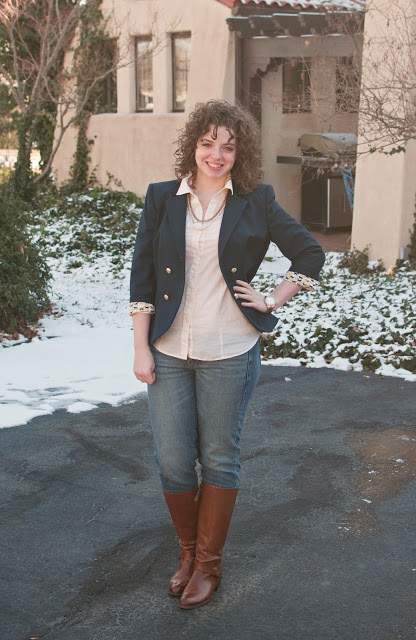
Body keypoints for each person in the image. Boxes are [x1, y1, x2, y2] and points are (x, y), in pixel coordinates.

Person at [129, 100, 325, 610]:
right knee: (173, 461)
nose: (217, 154)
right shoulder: (160, 199)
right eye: (208, 143)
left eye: (228, 146)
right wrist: (139, 347)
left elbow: (310, 252)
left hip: (229, 348)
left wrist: (273, 298)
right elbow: (142, 277)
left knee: (218, 456)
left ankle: (208, 566)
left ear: (241, 154)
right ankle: (187, 554)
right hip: (168, 350)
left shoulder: (256, 200)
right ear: (193, 144)